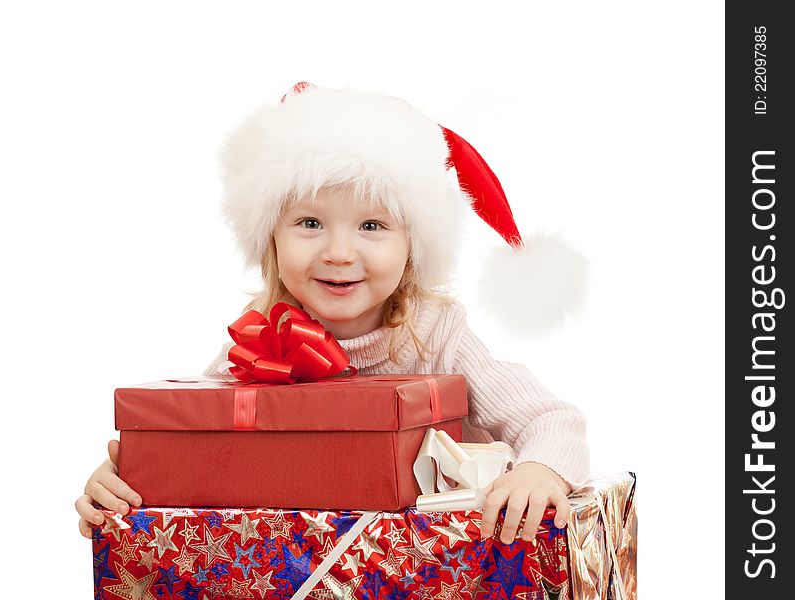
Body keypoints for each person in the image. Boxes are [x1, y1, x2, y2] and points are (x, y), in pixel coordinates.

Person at [76, 82, 590, 547]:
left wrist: (540, 472)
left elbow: (550, 419)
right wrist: (124, 478)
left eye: (371, 225)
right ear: (271, 240)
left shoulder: (437, 336)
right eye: (309, 223)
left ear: (412, 245)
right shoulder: (262, 339)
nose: (339, 253)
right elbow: (199, 446)